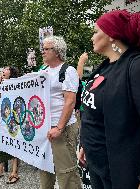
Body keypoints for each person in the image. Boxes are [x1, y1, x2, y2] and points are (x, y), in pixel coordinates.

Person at [78, 10, 140, 189]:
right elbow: (94, 112)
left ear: (110, 34)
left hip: (121, 172)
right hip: (96, 165)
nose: (92, 37)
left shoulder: (138, 67)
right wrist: (85, 144)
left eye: (95, 31)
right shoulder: (104, 67)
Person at [40, 36, 82, 189]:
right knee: (45, 169)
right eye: (42, 48)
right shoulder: (43, 70)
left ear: (57, 51)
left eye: (46, 49)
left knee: (66, 173)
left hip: (62, 129)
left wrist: (59, 128)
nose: (42, 52)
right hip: (46, 129)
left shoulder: (68, 71)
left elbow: (70, 101)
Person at [0, 66, 21, 184]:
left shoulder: (15, 85)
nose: (2, 71)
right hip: (2, 120)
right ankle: (0, 169)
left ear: (11, 73)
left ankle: (14, 173)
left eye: (6, 69)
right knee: (1, 144)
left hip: (13, 121)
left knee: (15, 145)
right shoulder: (1, 86)